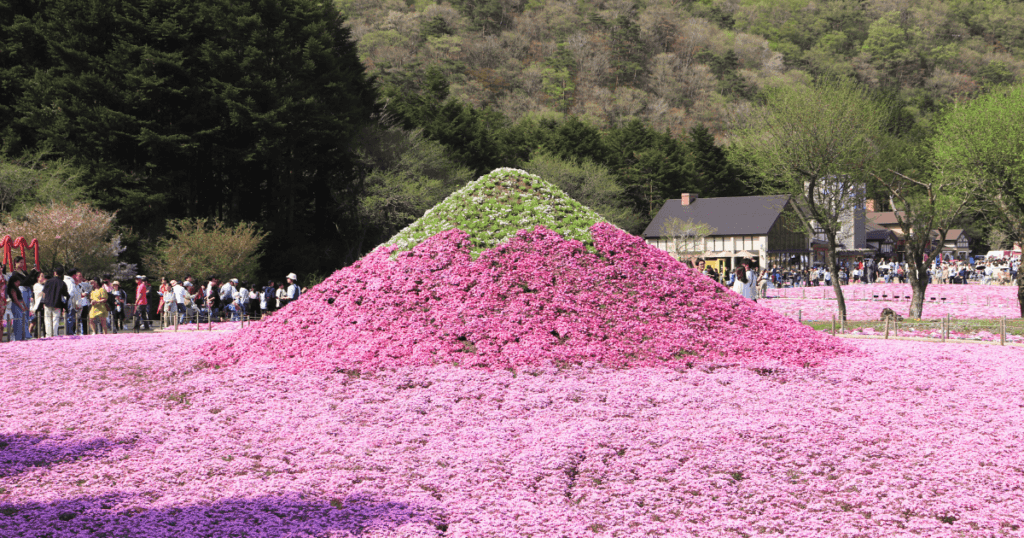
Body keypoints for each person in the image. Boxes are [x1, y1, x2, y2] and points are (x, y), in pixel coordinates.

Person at [42, 266, 70, 337]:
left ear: (55, 273)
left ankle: (48, 334)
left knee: (47, 319)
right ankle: (54, 334)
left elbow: (44, 293)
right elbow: (65, 294)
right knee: (55, 320)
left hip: (48, 303)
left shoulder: (48, 281)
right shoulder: (62, 283)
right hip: (57, 303)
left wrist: (43, 302)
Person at [7, 273, 29, 340]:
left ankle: (22, 335)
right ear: (14, 282)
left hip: (19, 305)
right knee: (18, 321)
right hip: (16, 306)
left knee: (22, 321)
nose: (19, 283)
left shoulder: (17, 289)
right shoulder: (12, 289)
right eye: (18, 281)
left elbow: (21, 299)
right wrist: (22, 307)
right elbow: (16, 300)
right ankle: (17, 336)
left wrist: (24, 306)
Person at [31, 271, 46, 337]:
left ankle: (45, 335)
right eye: (41, 276)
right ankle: (36, 335)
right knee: (39, 322)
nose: (43, 278)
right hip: (39, 305)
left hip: (44, 304)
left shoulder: (43, 285)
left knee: (44, 322)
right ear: (38, 278)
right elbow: (42, 292)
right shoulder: (36, 285)